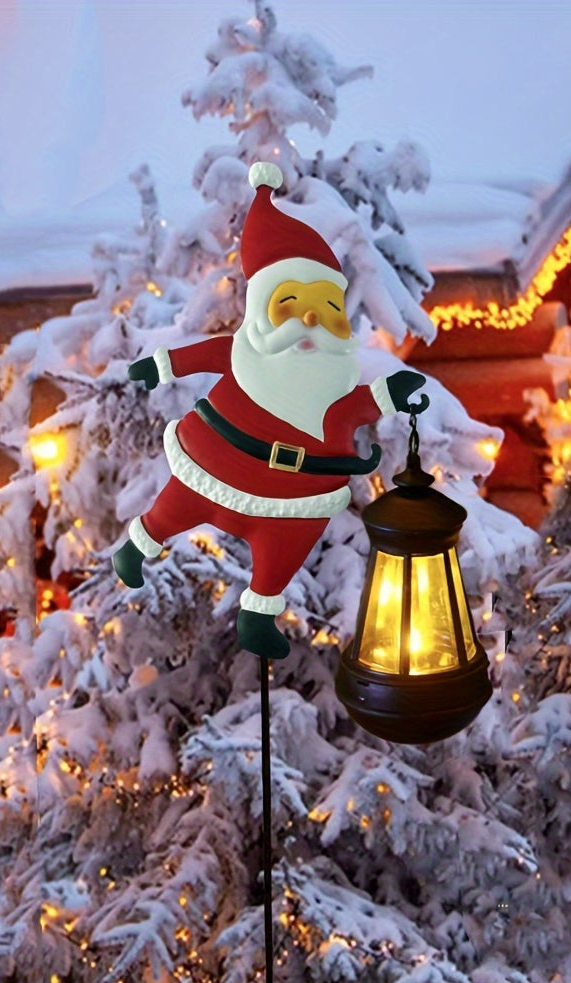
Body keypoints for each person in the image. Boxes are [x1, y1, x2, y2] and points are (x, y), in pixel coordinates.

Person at [113, 161, 426, 659]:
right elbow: (203, 354)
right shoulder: (241, 355)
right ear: (261, 307)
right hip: (216, 467)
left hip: (293, 499)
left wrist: (390, 395)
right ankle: (137, 546)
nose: (308, 318)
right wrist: (161, 366)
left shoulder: (334, 384)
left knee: (279, 559)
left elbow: (359, 408)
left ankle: (257, 616)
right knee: (172, 509)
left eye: (324, 309)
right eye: (290, 304)